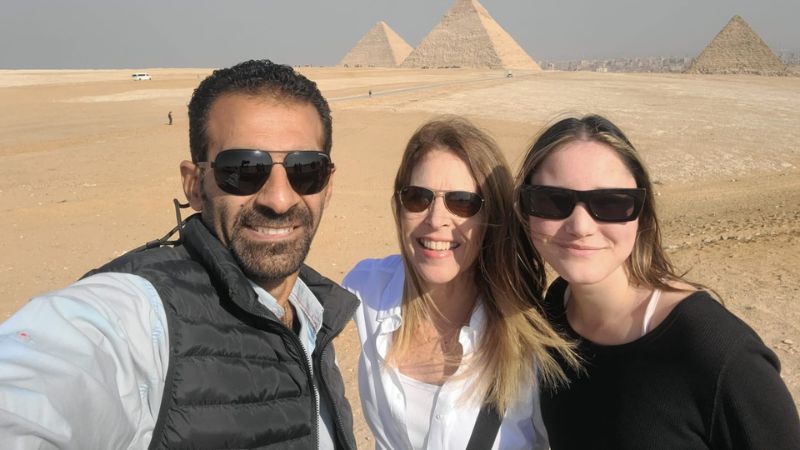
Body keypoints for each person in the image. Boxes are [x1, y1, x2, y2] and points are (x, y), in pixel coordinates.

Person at [0, 59, 359, 449]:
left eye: (305, 170)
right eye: (242, 169)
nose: (279, 198)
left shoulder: (316, 316)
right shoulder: (142, 319)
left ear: (328, 185)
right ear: (194, 185)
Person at [513, 114, 800, 449]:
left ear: (641, 212)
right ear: (525, 208)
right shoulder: (553, 313)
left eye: (611, 203)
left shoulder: (717, 354)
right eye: (552, 200)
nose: (580, 225)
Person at [342, 116, 578, 449]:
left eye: (462, 202)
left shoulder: (534, 344)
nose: (436, 219)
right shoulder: (366, 290)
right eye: (417, 197)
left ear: (490, 219)